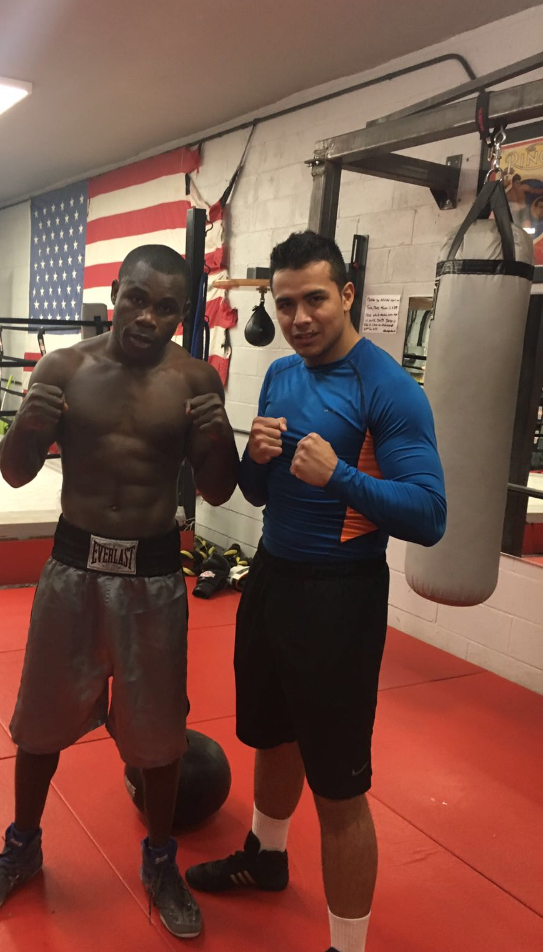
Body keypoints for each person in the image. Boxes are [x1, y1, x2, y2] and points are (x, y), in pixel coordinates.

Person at [0, 244, 238, 939]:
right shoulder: (65, 368)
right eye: (137, 298)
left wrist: (215, 431)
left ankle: (161, 860)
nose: (147, 316)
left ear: (181, 313)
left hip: (151, 574)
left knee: (159, 732)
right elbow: (16, 474)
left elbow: (219, 488)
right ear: (116, 290)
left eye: (166, 306)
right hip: (73, 569)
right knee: (41, 721)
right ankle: (22, 848)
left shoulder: (194, 378)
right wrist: (29, 423)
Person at [186, 231, 446, 952]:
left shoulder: (388, 388)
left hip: (341, 597)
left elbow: (430, 514)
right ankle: (266, 858)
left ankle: (347, 946)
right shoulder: (279, 376)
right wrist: (257, 460)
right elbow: (261, 493)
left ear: (348, 295)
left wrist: (341, 476)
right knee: (271, 735)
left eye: (316, 300)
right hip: (272, 579)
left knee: (338, 784)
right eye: (286, 302)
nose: (300, 318)